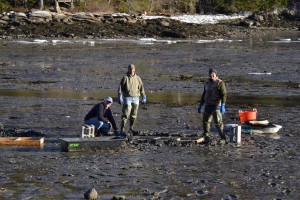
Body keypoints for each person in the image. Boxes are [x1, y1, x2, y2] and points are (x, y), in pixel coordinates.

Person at [198, 68, 227, 144]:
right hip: (208, 105)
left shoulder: (220, 83)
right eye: (210, 74)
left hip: (216, 106)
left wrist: (223, 105)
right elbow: (204, 94)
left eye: (213, 74)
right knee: (205, 122)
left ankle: (223, 138)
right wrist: (201, 104)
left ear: (215, 74)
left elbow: (224, 94)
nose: (211, 75)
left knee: (218, 123)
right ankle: (206, 135)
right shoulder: (207, 83)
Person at [118, 64, 146, 136]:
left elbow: (141, 88)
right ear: (128, 69)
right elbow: (120, 88)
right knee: (126, 114)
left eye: (132, 69)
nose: (131, 70)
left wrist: (143, 96)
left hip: (136, 98)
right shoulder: (125, 78)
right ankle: (122, 128)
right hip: (127, 98)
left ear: (134, 69)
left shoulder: (138, 78)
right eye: (130, 69)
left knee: (134, 115)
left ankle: (131, 128)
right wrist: (119, 96)